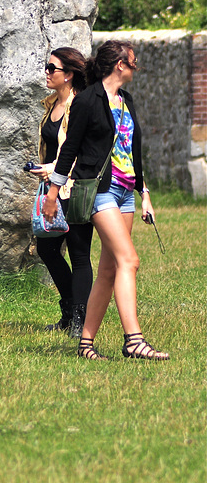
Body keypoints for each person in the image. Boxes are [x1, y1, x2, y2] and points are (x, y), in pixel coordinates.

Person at [43, 40, 169, 361]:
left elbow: (131, 150)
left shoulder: (126, 101)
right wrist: (53, 194)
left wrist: (145, 195)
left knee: (110, 270)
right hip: (99, 191)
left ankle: (86, 344)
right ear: (119, 65)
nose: (136, 65)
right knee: (130, 260)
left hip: (126, 191)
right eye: (133, 61)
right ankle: (133, 340)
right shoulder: (88, 100)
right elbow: (68, 150)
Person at [29, 48, 94, 338]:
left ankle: (80, 320)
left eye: (51, 68)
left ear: (68, 74)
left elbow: (82, 150)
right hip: (52, 187)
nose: (46, 72)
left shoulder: (80, 105)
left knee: (79, 253)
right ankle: (69, 310)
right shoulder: (51, 104)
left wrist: (54, 168)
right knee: (47, 248)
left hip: (76, 186)